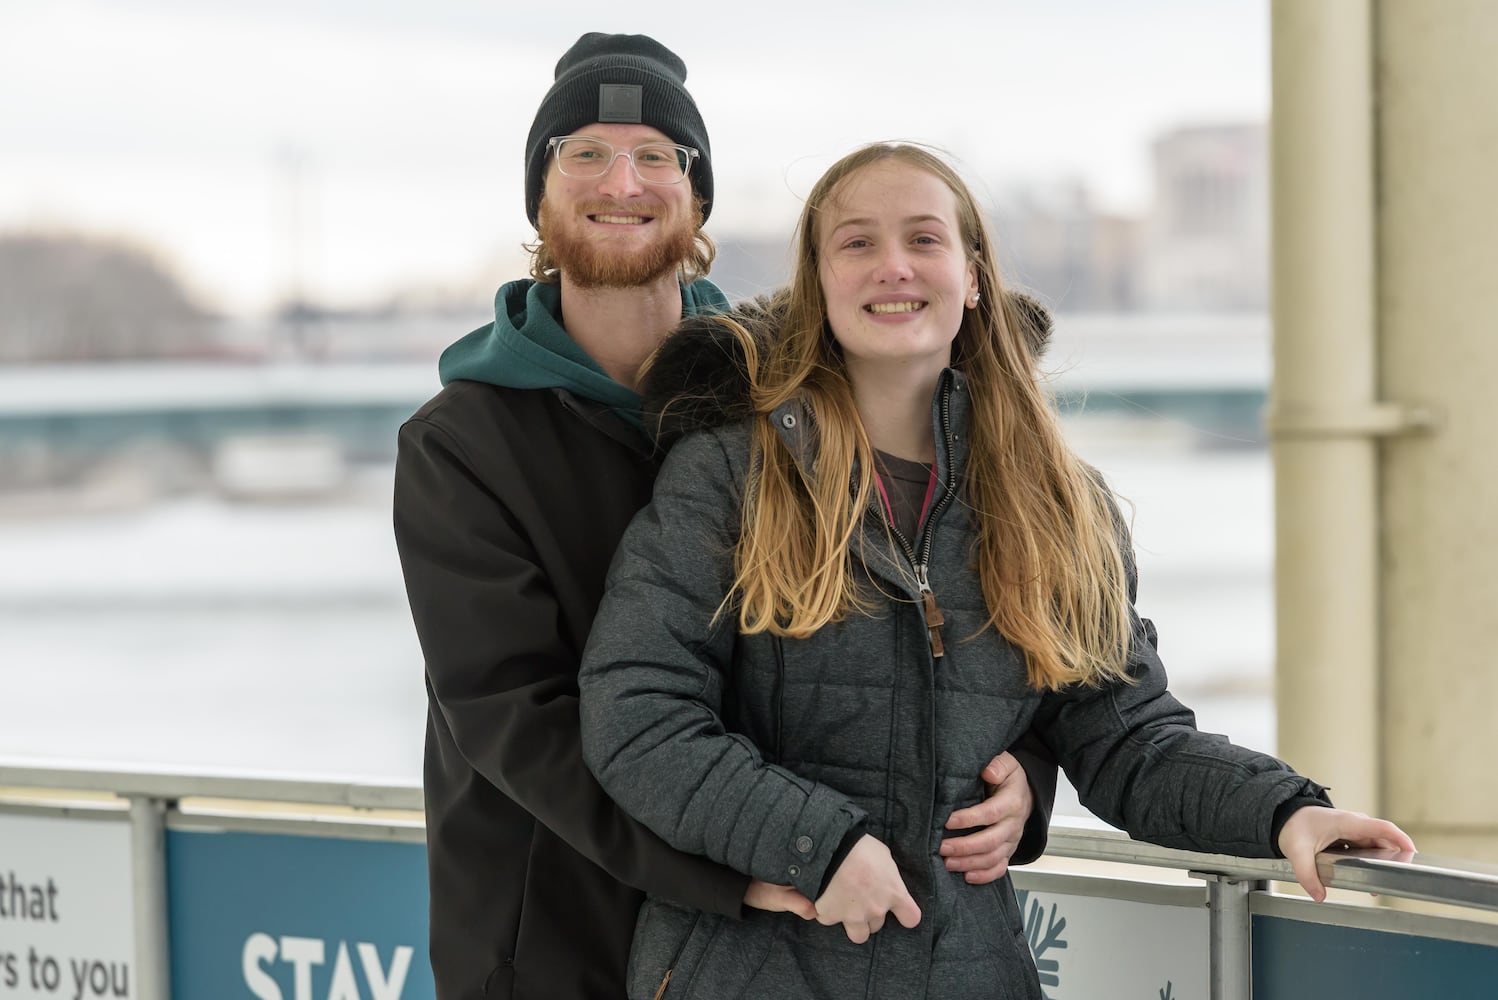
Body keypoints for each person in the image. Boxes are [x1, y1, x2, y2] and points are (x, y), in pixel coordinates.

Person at [576, 142, 1417, 1000]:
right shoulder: (732, 475)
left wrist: (1285, 812)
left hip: (964, 969)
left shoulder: (1056, 504)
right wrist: (818, 845)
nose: (894, 266)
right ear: (817, 284)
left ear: (973, 277)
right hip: (748, 969)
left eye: (925, 240)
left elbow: (1128, 737)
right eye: (857, 243)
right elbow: (635, 713)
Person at [393, 36, 1050, 999]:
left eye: (658, 156)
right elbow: (513, 716)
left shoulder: (783, 393)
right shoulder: (463, 443)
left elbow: (941, 605)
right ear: (540, 195)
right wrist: (738, 867)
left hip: (780, 944)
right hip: (552, 934)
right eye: (584, 152)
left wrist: (1021, 773)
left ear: (698, 199)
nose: (624, 180)